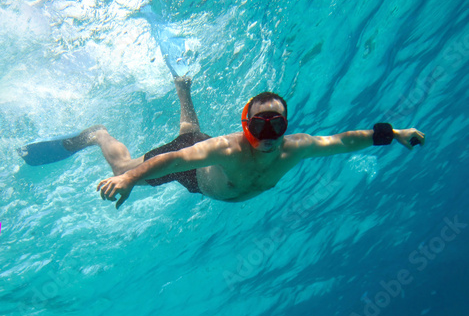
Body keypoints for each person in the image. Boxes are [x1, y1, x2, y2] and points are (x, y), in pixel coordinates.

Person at [89, 76, 425, 209]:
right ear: (245, 126)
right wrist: (130, 178)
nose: (267, 136)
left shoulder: (297, 147)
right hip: (193, 169)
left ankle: (183, 90)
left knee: (190, 130)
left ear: (285, 127)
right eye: (259, 126)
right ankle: (99, 134)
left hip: (204, 172)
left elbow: (342, 141)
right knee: (124, 165)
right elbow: (176, 161)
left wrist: (393, 134)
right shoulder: (227, 149)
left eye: (275, 125)